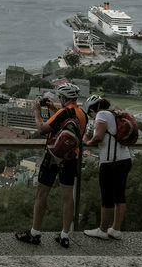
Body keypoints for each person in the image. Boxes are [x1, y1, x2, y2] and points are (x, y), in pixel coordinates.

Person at [15, 82, 88, 248]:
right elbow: (70, 124)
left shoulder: (63, 112)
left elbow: (42, 129)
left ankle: (35, 233)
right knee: (68, 197)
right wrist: (54, 109)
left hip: (53, 156)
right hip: (71, 158)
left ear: (63, 97)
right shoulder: (82, 114)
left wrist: (37, 111)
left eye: (60, 97)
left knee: (42, 193)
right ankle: (64, 235)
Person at [82, 95, 130, 241]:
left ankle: (102, 230)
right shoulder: (115, 114)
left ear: (93, 109)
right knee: (119, 196)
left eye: (90, 113)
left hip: (110, 162)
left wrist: (87, 141)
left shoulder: (102, 114)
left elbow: (99, 137)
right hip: (125, 159)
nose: (91, 116)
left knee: (107, 197)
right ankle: (116, 229)